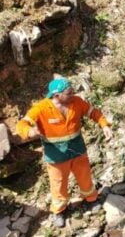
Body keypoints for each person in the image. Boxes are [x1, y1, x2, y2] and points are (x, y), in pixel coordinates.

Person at [16, 78, 113, 228]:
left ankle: (91, 199)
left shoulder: (77, 102)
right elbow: (22, 124)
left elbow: (93, 113)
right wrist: (29, 132)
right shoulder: (41, 108)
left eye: (72, 91)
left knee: (84, 176)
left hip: (78, 149)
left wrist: (104, 125)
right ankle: (59, 211)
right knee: (58, 183)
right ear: (56, 95)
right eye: (68, 93)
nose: (72, 94)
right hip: (56, 155)